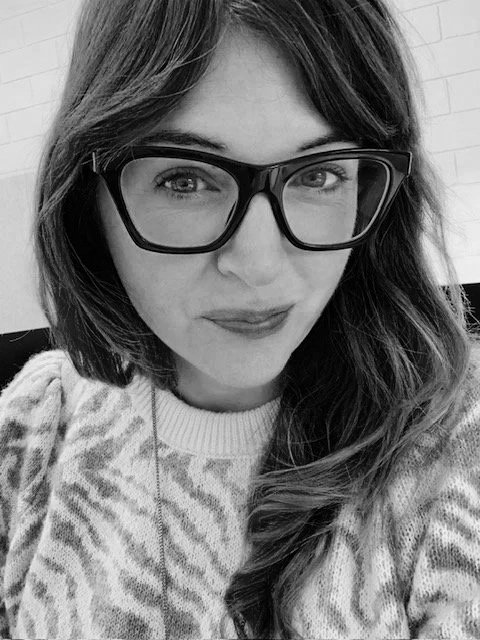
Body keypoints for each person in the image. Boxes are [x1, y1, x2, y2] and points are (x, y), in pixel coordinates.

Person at [1, 0, 480, 638]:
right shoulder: (35, 429)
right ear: (89, 200)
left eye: (320, 175)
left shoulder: (453, 453)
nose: (256, 265)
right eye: (184, 180)